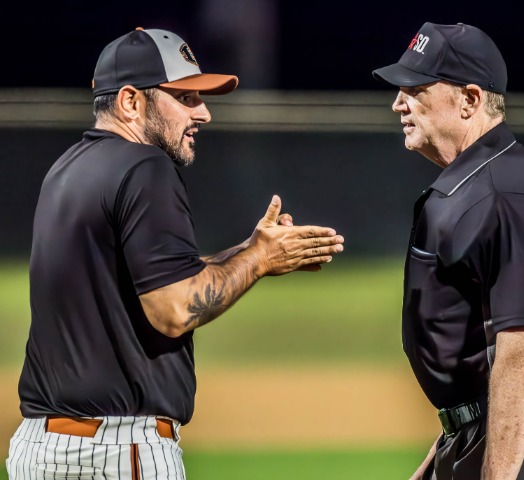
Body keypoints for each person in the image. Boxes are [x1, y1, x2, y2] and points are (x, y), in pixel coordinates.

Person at [6, 27, 344, 480]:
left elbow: (148, 279)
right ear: (131, 101)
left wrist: (253, 249)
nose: (203, 112)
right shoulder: (146, 166)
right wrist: (260, 261)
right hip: (115, 452)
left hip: (41, 448)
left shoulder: (66, 169)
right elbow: (174, 308)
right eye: (185, 98)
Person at [372, 22, 524, 479]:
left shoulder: (507, 192)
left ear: (470, 99)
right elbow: (482, 357)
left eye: (415, 89)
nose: (398, 102)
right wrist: (446, 450)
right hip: (504, 425)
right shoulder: (483, 184)